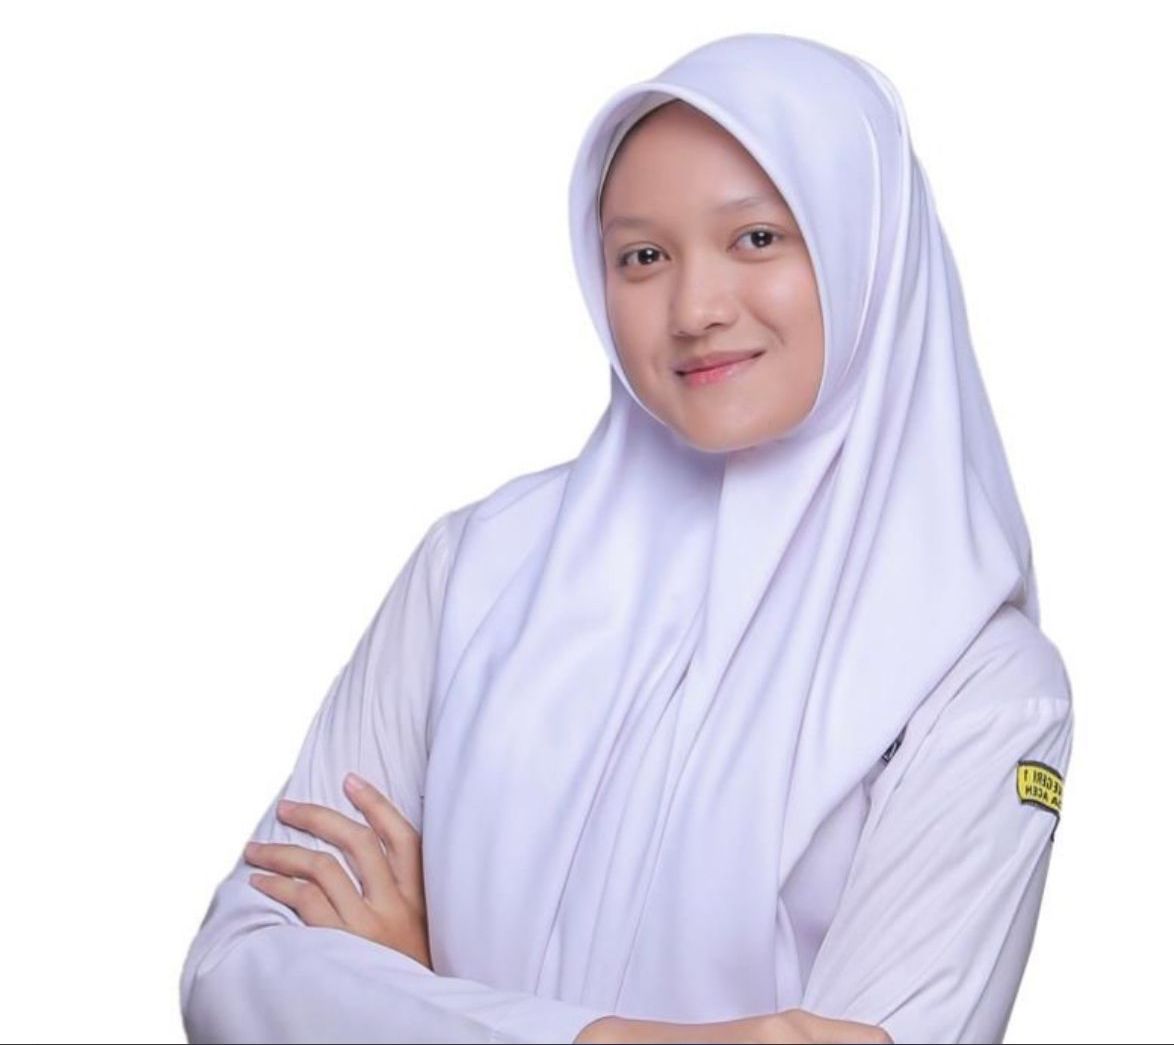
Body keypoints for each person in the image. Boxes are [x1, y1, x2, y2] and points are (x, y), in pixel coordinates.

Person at [179, 32, 1074, 1045]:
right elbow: (233, 969)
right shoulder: (479, 567)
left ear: (870, 249)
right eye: (642, 256)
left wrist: (410, 993)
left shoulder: (979, 682)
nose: (695, 309)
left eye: (757, 238)